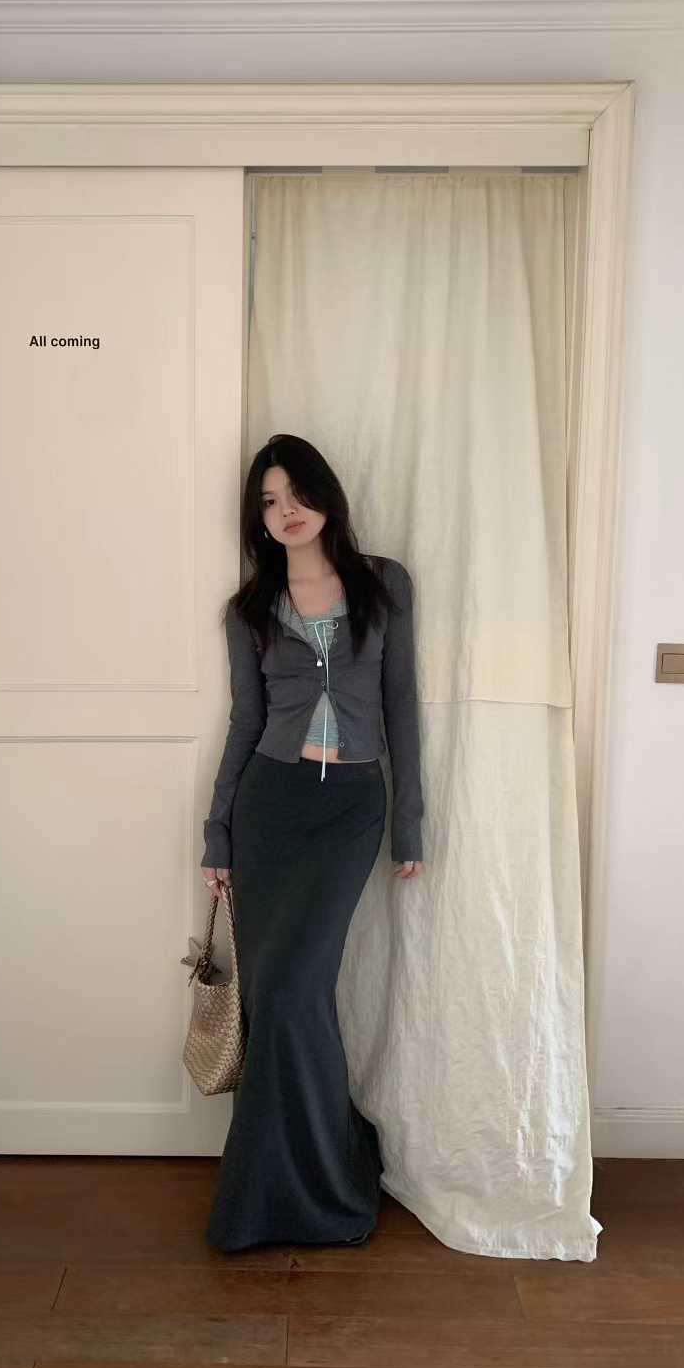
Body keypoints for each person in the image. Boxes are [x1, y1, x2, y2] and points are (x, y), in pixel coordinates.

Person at [200, 432, 425, 1252]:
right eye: (269, 501)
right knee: (276, 1000)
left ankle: (329, 1179)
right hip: (270, 808)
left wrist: (410, 821)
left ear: (326, 495)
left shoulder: (383, 584)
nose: (286, 511)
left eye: (297, 493)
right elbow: (246, 722)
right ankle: (272, 1193)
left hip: (349, 810)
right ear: (256, 517)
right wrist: (218, 834)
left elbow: (401, 707)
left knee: (297, 990)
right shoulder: (249, 610)